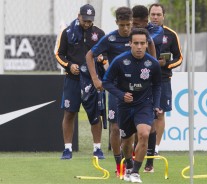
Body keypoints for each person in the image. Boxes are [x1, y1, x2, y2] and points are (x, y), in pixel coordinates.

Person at [102, 28, 162, 183]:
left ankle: (135, 172)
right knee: (127, 142)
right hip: (125, 106)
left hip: (144, 104)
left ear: (147, 44)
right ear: (130, 44)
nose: (139, 46)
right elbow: (106, 82)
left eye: (143, 43)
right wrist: (121, 95)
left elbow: (157, 86)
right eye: (136, 43)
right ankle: (128, 165)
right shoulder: (120, 61)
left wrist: (156, 105)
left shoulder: (153, 63)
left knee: (144, 134)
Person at [85, 6, 133, 177]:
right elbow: (89, 55)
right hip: (114, 88)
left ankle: (129, 161)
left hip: (136, 89)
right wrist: (96, 79)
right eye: (122, 25)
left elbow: (150, 53)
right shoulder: (110, 38)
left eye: (128, 24)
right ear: (116, 23)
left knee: (132, 128)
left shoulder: (138, 37)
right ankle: (119, 164)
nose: (126, 28)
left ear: (132, 22)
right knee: (115, 127)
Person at [55, 4, 106, 160]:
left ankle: (97, 148)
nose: (87, 23)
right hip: (73, 79)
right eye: (85, 20)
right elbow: (59, 54)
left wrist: (101, 59)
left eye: (90, 20)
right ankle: (67, 149)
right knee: (69, 113)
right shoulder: (67, 32)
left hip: (92, 80)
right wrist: (69, 65)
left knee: (95, 115)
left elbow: (105, 55)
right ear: (79, 16)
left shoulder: (99, 33)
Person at [132, 4, 164, 173]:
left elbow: (148, 43)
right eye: (134, 24)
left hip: (150, 82)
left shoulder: (156, 31)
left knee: (150, 123)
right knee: (133, 125)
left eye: (139, 24)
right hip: (129, 83)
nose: (136, 27)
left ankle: (149, 163)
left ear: (146, 21)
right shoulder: (128, 31)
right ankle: (132, 161)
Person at [149, 3, 183, 158]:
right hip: (144, 80)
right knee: (142, 114)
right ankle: (140, 145)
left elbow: (179, 58)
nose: (155, 17)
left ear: (163, 16)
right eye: (153, 14)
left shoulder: (170, 35)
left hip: (163, 80)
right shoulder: (142, 33)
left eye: (158, 14)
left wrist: (167, 64)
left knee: (160, 114)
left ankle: (155, 147)